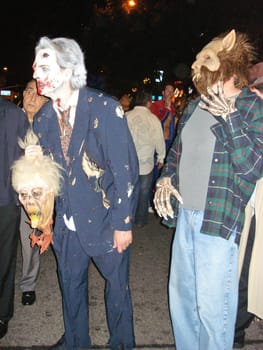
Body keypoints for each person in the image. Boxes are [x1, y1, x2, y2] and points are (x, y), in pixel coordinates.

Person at [153, 29, 263, 350]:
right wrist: (166, 179)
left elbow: (251, 167)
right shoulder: (194, 107)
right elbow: (177, 152)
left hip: (218, 219)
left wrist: (229, 118)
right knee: (183, 303)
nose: (198, 66)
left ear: (228, 65)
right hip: (185, 217)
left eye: (207, 60)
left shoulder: (251, 108)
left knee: (214, 310)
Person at [31, 36, 139, 350]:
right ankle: (76, 342)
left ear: (67, 69)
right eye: (36, 65)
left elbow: (124, 170)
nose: (36, 72)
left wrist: (123, 222)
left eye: (44, 65)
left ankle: (121, 343)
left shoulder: (104, 109)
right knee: (71, 289)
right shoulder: (43, 119)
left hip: (106, 220)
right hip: (66, 226)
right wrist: (43, 219)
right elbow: (47, 178)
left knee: (118, 290)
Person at [234, 75, 263, 348]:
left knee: (247, 270)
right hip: (253, 207)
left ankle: (238, 329)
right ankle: (237, 329)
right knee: (246, 268)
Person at [0, 97, 29, 338]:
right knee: (5, 260)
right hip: (7, 200)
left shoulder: (14, 115)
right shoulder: (15, 115)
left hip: (7, 199)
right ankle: (1, 315)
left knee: (5, 259)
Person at [20, 79, 48, 306]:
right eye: (29, 91)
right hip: (7, 193)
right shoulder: (10, 120)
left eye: (38, 94)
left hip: (35, 199)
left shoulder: (49, 128)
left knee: (32, 239)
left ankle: (28, 284)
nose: (32, 97)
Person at [126, 90, 165, 227]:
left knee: (126, 191)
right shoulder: (153, 119)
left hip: (127, 162)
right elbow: (159, 139)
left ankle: (125, 218)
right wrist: (161, 157)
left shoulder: (126, 116)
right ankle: (140, 220)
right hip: (145, 162)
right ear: (148, 103)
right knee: (143, 192)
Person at [151, 82, 178, 151]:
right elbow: (154, 120)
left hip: (169, 140)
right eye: (168, 91)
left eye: (172, 91)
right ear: (163, 92)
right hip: (157, 140)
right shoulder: (156, 105)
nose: (170, 93)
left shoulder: (173, 107)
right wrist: (166, 110)